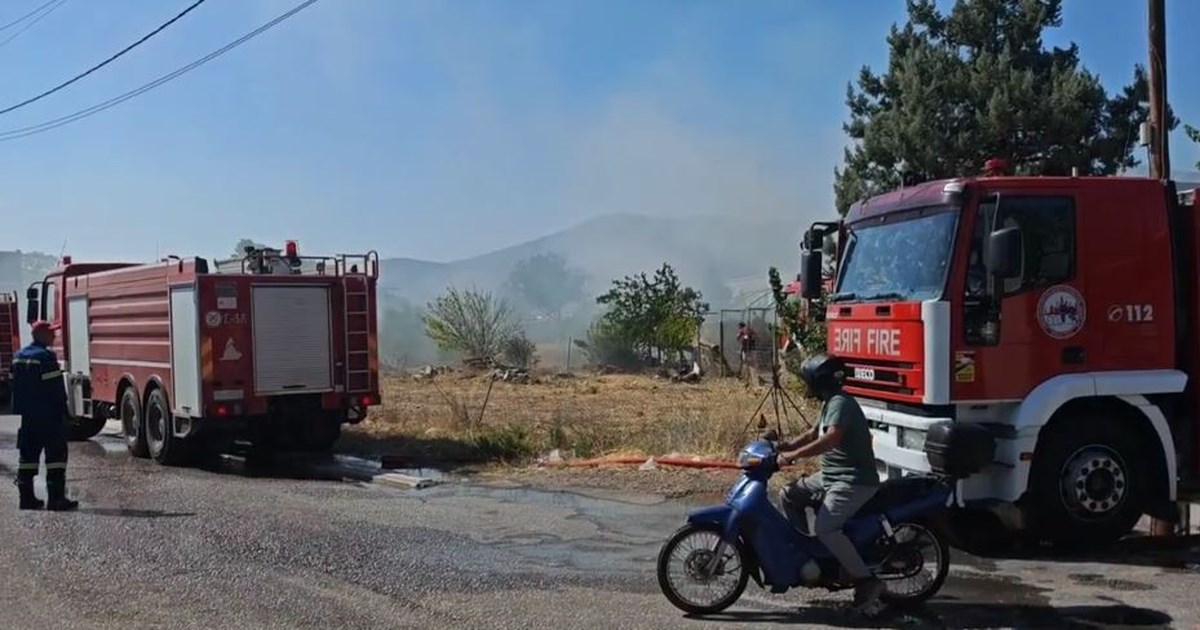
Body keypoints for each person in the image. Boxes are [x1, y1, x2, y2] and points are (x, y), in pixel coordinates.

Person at [776, 353, 883, 611]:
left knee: (825, 527)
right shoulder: (830, 402)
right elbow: (814, 433)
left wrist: (794, 455)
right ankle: (806, 554)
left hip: (853, 479)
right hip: (831, 476)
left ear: (819, 380)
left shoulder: (841, 403)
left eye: (809, 380)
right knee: (788, 494)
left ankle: (866, 581)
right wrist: (786, 445)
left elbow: (831, 438)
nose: (807, 384)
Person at [11, 320, 77, 511]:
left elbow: (13, 385)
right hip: (49, 416)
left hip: (28, 417)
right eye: (51, 333)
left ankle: (26, 499)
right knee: (56, 457)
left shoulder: (18, 356)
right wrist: (65, 414)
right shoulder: (46, 357)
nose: (54, 336)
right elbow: (56, 390)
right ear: (40, 335)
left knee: (27, 457)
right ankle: (56, 500)